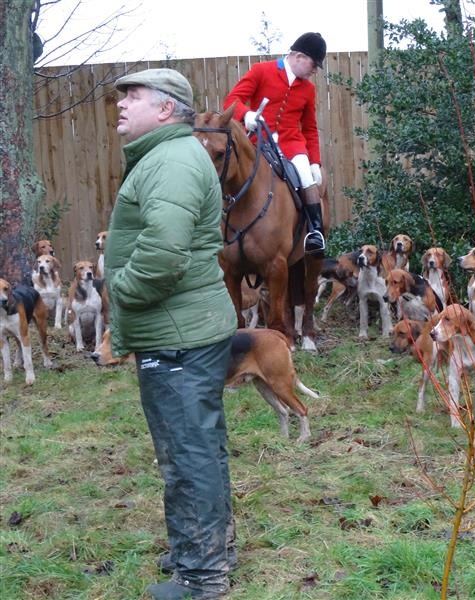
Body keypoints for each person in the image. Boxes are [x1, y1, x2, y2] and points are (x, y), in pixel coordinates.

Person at [106, 68, 238, 599]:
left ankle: (201, 577)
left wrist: (121, 290)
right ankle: (209, 547)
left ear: (165, 109)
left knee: (187, 453)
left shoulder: (172, 162)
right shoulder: (168, 156)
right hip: (184, 328)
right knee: (199, 445)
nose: (121, 104)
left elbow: (163, 254)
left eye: (133, 96)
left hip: (178, 334)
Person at [223, 32, 327, 254]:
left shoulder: (308, 89)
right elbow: (232, 100)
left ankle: (315, 233)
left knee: (306, 178)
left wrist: (314, 162)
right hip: (257, 142)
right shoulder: (261, 71)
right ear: (299, 56)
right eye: (313, 64)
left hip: (292, 146)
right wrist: (246, 115)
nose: (315, 71)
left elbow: (309, 128)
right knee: (227, 171)